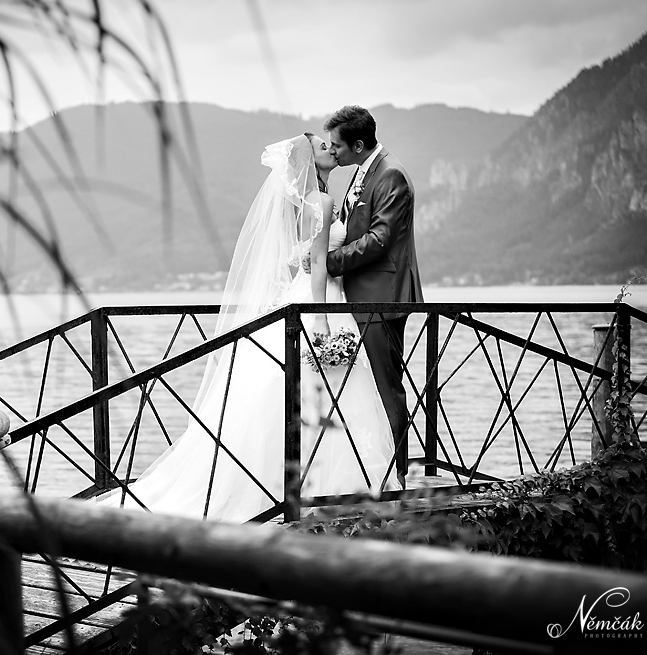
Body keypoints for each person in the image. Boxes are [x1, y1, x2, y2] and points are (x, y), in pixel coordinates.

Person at [93, 133, 398, 523]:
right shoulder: (320, 202)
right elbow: (319, 264)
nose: (331, 150)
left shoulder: (300, 203)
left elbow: (300, 257)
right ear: (309, 162)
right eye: (323, 147)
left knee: (293, 393)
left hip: (299, 297)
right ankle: (323, 485)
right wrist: (320, 318)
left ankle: (289, 484)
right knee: (321, 390)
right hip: (319, 300)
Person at [323, 106, 424, 488]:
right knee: (367, 388)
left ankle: (396, 476)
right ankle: (373, 469)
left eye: (337, 146)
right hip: (362, 296)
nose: (333, 152)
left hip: (382, 296)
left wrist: (329, 263)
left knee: (386, 386)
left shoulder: (391, 174)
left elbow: (380, 239)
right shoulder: (366, 171)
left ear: (359, 144)